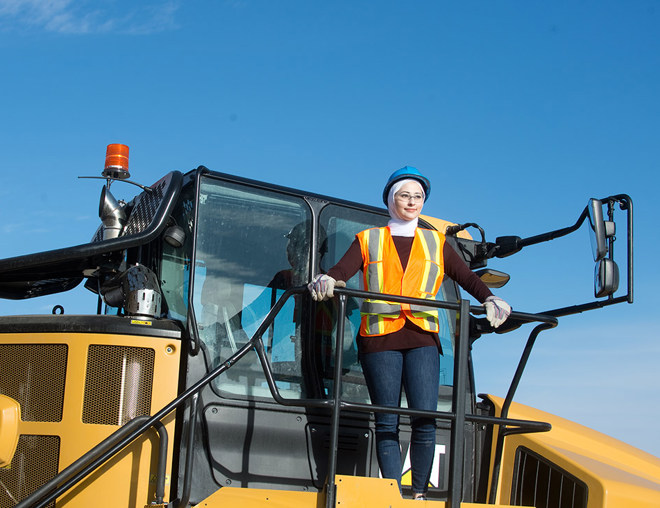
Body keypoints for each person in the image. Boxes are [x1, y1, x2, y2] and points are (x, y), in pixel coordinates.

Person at [307, 166, 510, 501]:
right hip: (380, 340)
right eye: (404, 195)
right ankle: (392, 494)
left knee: (424, 418)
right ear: (391, 200)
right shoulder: (369, 239)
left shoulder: (437, 242)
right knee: (387, 421)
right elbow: (342, 270)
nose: (412, 202)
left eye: (418, 197)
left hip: (422, 340)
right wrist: (328, 279)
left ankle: (417, 493)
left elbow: (465, 277)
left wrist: (490, 297)